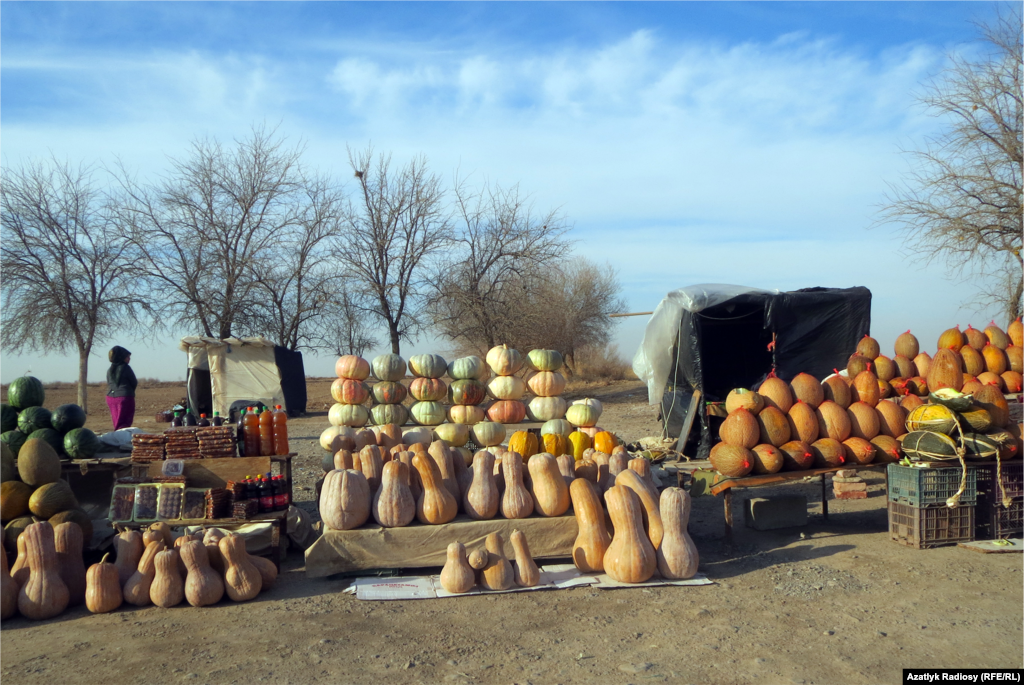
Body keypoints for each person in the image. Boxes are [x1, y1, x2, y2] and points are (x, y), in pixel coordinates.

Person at [106, 345, 138, 430]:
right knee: (125, 422)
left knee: (116, 421)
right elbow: (133, 382)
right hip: (124, 397)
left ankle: (117, 437)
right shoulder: (126, 368)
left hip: (110, 397)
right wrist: (129, 392)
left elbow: (109, 383)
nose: (129, 359)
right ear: (121, 357)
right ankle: (121, 439)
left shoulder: (110, 370)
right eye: (127, 357)